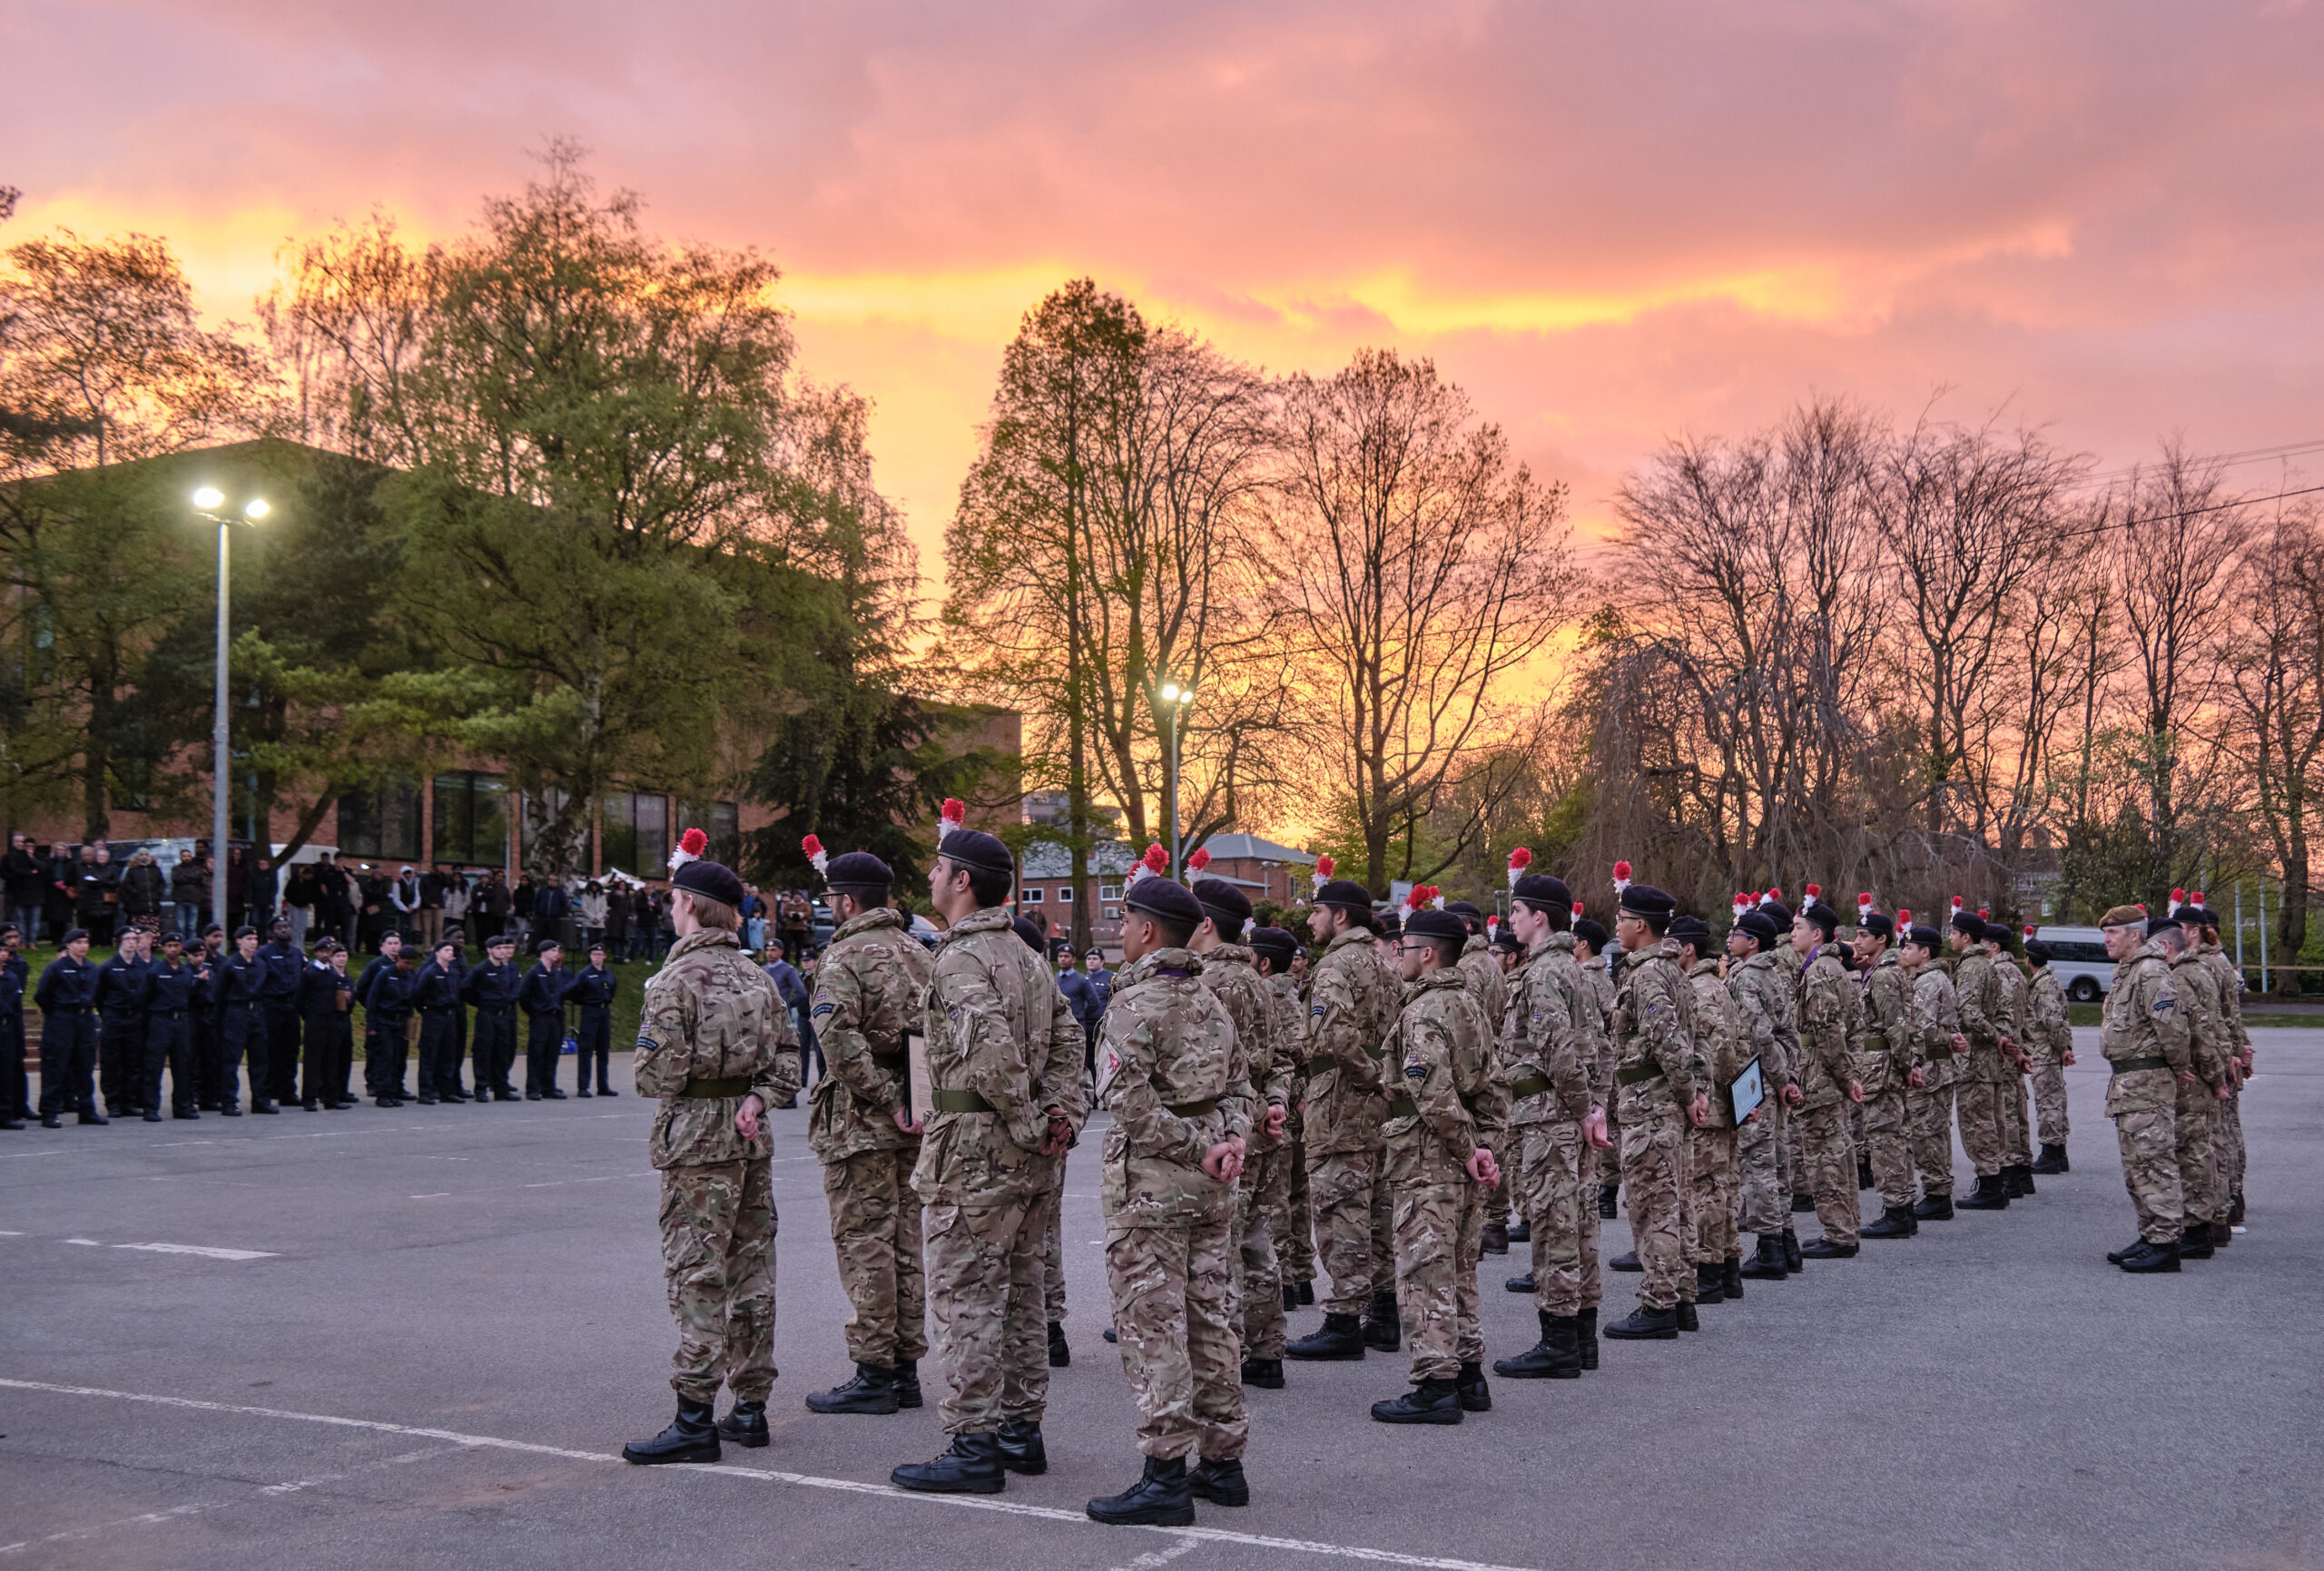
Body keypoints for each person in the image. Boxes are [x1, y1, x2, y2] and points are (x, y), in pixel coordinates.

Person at [890, 816, 1085, 1497]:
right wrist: (1061, 1116)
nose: (932, 878)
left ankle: (974, 1442)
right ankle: (1019, 1430)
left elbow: (993, 1052)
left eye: (939, 868)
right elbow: (1069, 1041)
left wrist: (1037, 1120)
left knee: (965, 1297)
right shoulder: (1026, 956)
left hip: (975, 1152)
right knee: (1023, 1293)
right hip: (1024, 1153)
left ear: (963, 880)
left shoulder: (961, 958)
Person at [1081, 872, 1251, 1524]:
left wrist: (1191, 1143)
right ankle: (1223, 1463)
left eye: (1125, 920)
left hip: (1153, 1190)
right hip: (1210, 1188)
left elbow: (1123, 1099)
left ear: (1148, 930)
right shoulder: (1211, 1001)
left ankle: (1164, 1475)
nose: (1119, 930)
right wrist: (1227, 1141)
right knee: (1211, 1321)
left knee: (1154, 1328)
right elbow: (1240, 1086)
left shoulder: (1136, 1002)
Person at [621, 849, 799, 1467]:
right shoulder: (760, 978)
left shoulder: (674, 981)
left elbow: (654, 1074)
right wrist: (756, 1094)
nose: (671, 910)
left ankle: (693, 1414)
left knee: (698, 1273)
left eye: (673, 900)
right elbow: (788, 1062)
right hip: (750, 1140)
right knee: (752, 1270)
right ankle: (750, 1407)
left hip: (697, 1142)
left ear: (691, 905)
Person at [798, 849, 933, 1418]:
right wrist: (915, 1100)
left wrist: (886, 1096)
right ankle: (905, 1370)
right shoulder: (919, 954)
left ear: (847, 900)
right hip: (913, 1120)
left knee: (864, 1243)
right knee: (904, 1240)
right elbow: (932, 1036)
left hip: (863, 1124)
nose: (830, 907)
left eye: (832, 898)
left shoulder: (844, 956)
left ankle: (873, 1370)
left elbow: (838, 1041)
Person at [1364, 906, 1500, 1427]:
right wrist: (1485, 1147)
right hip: (1461, 1160)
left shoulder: (1425, 1010)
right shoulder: (1471, 1004)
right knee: (1460, 1268)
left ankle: (1435, 1383)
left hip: (1429, 1157)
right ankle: (1468, 1373)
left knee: (1425, 1271)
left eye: (1403, 949)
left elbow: (1431, 1092)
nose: (1397, 957)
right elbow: (1494, 1086)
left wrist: (1468, 1149)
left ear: (1426, 954)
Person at [1493, 870, 1607, 1380]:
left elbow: (1558, 1051)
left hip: (1548, 1118)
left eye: (1516, 911)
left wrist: (1585, 1110)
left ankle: (1558, 1340)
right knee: (1578, 1222)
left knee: (1554, 1225)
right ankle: (1582, 1338)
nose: (1510, 919)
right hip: (1569, 1116)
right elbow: (1601, 1048)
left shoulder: (1542, 974)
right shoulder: (1577, 968)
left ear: (1539, 917)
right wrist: (1595, 1107)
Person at [1284, 876, 1399, 1362]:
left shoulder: (1335, 966)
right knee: (1376, 1208)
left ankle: (1344, 1320)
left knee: (1340, 1209)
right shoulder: (1384, 964)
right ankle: (1386, 1315)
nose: (1310, 920)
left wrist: (1370, 1075)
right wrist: (1385, 1080)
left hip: (1340, 1100)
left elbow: (1332, 1039)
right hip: (1376, 1106)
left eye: (1317, 912)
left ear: (1341, 917)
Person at [1187, 876, 1290, 1393]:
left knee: (1221, 1244)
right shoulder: (1256, 980)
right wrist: (1277, 1102)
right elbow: (1281, 1057)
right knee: (1256, 1240)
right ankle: (1267, 1349)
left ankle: (1226, 1348)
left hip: (1227, 1130)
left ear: (1204, 924)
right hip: (1261, 1125)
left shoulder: (1209, 982)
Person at [1600, 878, 1709, 1340]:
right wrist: (1696, 1091)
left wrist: (1688, 1095)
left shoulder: (1646, 975)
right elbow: (1696, 1039)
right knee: (1675, 1202)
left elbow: (1668, 1041)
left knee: (1654, 1206)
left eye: (1622, 920)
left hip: (1651, 1105)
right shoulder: (1674, 973)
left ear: (1640, 924)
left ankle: (1659, 1302)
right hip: (1666, 1102)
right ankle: (1682, 1298)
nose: (1617, 928)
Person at [2096, 906, 2191, 1272]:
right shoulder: (2128, 972)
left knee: (2155, 1164)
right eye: (2106, 933)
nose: (2107, 940)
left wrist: (2178, 1067)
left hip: (2148, 1084)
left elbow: (2173, 1028)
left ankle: (2166, 1243)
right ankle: (2151, 1233)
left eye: (2113, 933)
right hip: (2128, 1084)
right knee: (2137, 1167)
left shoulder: (2151, 971)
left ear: (2135, 935)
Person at [1669, 916, 1745, 1306]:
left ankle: (1710, 1272)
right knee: (1723, 1187)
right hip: (1724, 1101)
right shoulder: (1716, 984)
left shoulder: (1698, 989)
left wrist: (1729, 1087)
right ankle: (1728, 1269)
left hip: (1711, 1102)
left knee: (1706, 1191)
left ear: (1688, 950)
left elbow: (1722, 1046)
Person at [1790, 895, 1866, 1256]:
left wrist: (1843, 1075)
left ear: (1817, 934)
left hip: (1819, 1076)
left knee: (1825, 1158)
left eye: (1798, 927)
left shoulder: (1820, 971)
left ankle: (1838, 1233)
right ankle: (1845, 1227)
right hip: (1827, 1075)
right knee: (1838, 1152)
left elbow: (1827, 1031)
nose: (1792, 933)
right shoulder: (1834, 968)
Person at [1727, 907, 1798, 1280]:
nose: (1729, 938)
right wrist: (1790, 1077)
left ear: (1752, 942)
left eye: (1736, 933)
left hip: (1755, 1078)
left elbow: (1758, 1033)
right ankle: (1787, 1242)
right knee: (1778, 1159)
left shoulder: (1746, 977)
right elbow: (1790, 1033)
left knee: (1758, 1163)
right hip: (1773, 1076)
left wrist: (1780, 1076)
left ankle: (1770, 1247)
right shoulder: (1773, 974)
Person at [2165, 907, 2234, 1260]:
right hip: (2205, 1069)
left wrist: (2214, 1073)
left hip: (2193, 1074)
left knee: (2194, 1153)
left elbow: (2201, 1028)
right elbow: (2220, 1021)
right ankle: (2215, 1222)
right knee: (2208, 1148)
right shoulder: (2202, 968)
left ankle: (2200, 1229)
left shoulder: (2184, 975)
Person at [1854, 911, 1920, 1239]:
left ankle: (1896, 1210)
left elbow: (1896, 1027)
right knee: (1895, 1136)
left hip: (1881, 1068)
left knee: (1884, 1139)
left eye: (1863, 935)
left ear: (1881, 938)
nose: (1857, 941)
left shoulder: (1883, 975)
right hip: (1885, 1065)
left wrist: (1908, 1066)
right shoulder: (1887, 971)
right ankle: (1903, 1207)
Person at [1899, 923, 1961, 1221]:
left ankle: (1937, 1193)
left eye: (1909, 948)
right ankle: (1939, 1191)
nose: (1903, 952)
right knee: (1935, 1131)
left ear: (1924, 952)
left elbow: (1923, 1028)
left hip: (1930, 1067)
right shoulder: (1936, 977)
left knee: (1927, 1133)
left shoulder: (1927, 981)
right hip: (1939, 1065)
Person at [34, 930, 102, 1126]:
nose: (83, 946)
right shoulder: (57, 968)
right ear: (69, 945)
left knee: (85, 1065)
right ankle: (49, 1112)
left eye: (86, 942)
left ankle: (87, 1111)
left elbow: (97, 992)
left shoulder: (91, 968)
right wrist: (56, 1012)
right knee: (55, 1066)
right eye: (78, 942)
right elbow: (42, 995)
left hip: (85, 1019)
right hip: (62, 1019)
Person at [2022, 938, 2074, 1174]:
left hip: (2045, 1050)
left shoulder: (2042, 985)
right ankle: (2059, 1153)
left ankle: (2051, 1153)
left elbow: (2052, 1020)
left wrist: (2063, 1047)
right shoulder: (2048, 981)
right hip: (2050, 1048)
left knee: (2048, 1101)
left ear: (2028, 959)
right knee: (2054, 1098)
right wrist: (2065, 1046)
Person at [142, 932, 201, 1120]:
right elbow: (144, 1000)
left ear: (181, 948)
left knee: (183, 1066)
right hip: (161, 1021)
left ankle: (182, 1106)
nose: (173, 949)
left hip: (181, 1021)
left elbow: (190, 997)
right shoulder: (155, 972)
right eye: (169, 946)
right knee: (154, 1066)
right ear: (162, 947)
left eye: (176, 945)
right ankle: (151, 1108)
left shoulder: (186, 972)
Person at [94, 928, 151, 1119]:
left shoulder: (142, 966)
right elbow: (98, 996)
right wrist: (109, 1014)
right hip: (114, 1018)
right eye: (127, 939)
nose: (132, 942)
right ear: (120, 941)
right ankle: (113, 1102)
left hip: (134, 1019)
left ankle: (129, 1101)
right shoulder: (108, 967)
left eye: (135, 939)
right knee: (112, 1062)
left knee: (132, 1061)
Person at [217, 926, 274, 1115]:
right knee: (231, 1059)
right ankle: (229, 1102)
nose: (253, 942)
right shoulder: (231, 964)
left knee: (260, 1059)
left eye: (255, 939)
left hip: (256, 1013)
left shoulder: (260, 963)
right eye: (249, 938)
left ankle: (260, 1100)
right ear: (239, 941)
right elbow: (219, 994)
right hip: (237, 1013)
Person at [464, 934, 523, 1101]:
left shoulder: (506, 969)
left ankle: (501, 1088)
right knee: (483, 1050)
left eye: (504, 948)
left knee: (502, 1051)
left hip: (503, 1015)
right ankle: (481, 1088)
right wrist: (481, 1002)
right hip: (487, 1014)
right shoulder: (481, 969)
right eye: (498, 948)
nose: (503, 951)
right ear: (489, 950)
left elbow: (513, 988)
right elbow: (466, 989)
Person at [412, 940, 468, 1104]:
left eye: (452, 950)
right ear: (437, 953)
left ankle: (447, 1091)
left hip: (450, 1016)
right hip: (434, 1015)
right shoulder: (430, 972)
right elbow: (418, 995)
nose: (451, 953)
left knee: (448, 1054)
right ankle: (426, 1092)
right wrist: (426, 1010)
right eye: (446, 950)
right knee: (429, 1054)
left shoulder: (453, 972)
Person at [258, 918, 306, 1108]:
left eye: (286, 927)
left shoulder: (296, 953)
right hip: (272, 1006)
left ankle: (288, 1091)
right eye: (279, 928)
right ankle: (269, 1090)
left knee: (291, 1050)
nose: (284, 930)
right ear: (272, 932)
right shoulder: (264, 953)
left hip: (291, 1007)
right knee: (270, 1049)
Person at [358, 931, 409, 1106]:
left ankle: (396, 1088)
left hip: (399, 1019)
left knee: (398, 1055)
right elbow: (364, 991)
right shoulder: (377, 966)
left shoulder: (405, 968)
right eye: (390, 943)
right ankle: (377, 1086)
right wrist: (375, 1010)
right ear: (382, 946)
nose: (394, 946)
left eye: (397, 943)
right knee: (380, 1054)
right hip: (381, 1018)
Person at [520, 938, 571, 1100]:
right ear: (544, 952)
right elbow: (524, 997)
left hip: (556, 1017)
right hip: (541, 1017)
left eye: (557, 950)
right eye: (553, 950)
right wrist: (535, 1011)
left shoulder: (556, 973)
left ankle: (548, 1086)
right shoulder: (535, 972)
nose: (557, 953)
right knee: (537, 1052)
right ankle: (533, 1088)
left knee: (552, 1052)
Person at [569, 940, 619, 1097]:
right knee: (586, 1050)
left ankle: (603, 1085)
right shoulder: (585, 973)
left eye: (599, 954)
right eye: (594, 954)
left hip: (604, 1012)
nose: (597, 957)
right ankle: (583, 1086)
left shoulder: (608, 972)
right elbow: (572, 990)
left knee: (603, 1050)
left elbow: (612, 989)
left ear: (604, 956)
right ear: (590, 956)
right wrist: (584, 1001)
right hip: (590, 1012)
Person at [0, 925, 28, 1128]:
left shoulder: (14, 973)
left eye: (4, 950)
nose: (3, 953)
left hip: (10, 1026)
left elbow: (17, 1002)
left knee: (12, 1068)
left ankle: (11, 1110)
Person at [4, 833, 44, 945]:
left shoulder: (38, 856)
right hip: (18, 892)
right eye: (18, 842)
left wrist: (32, 858)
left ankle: (32, 942)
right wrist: (30, 873)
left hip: (35, 893)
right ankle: (21, 941)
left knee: (34, 919)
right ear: (13, 843)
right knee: (20, 919)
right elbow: (14, 871)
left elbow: (43, 869)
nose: (20, 844)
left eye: (22, 842)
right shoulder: (10, 857)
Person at [76, 845, 120, 947]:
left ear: (107, 858)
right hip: (94, 899)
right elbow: (88, 880)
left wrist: (102, 881)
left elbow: (116, 882)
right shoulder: (92, 867)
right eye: (99, 856)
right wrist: (100, 882)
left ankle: (107, 943)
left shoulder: (113, 867)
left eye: (103, 856)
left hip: (108, 899)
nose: (101, 858)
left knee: (108, 923)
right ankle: (95, 942)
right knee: (95, 923)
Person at [120, 849, 166, 938]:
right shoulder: (133, 870)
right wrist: (135, 893)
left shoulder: (155, 869)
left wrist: (158, 894)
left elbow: (162, 883)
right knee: (140, 929)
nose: (144, 856)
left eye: (146, 854)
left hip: (153, 904)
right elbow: (126, 885)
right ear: (138, 856)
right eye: (142, 854)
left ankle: (153, 945)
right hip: (139, 906)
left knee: (153, 928)